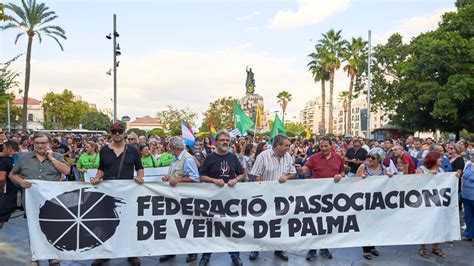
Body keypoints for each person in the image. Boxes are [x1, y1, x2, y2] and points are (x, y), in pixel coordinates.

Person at [9, 132, 70, 266]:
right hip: (31, 201)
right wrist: (20, 181)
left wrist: (52, 158)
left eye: (43, 143)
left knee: (53, 228)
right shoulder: (24, 158)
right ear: (33, 143)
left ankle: (53, 257)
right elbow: (12, 174)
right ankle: (35, 257)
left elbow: (67, 171)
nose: (40, 145)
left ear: (49, 143)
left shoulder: (58, 156)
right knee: (34, 229)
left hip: (53, 202)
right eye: (37, 143)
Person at [90, 123, 144, 266]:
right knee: (105, 223)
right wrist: (96, 178)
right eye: (114, 131)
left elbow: (139, 168)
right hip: (108, 192)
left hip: (128, 193)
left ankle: (131, 253)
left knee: (128, 223)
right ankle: (104, 253)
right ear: (111, 133)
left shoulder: (132, 150)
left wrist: (139, 177)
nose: (117, 134)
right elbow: (101, 168)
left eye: (120, 131)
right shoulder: (104, 151)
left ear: (124, 133)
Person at [199, 130, 245, 266]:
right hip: (212, 199)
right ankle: (206, 256)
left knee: (232, 227)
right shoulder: (209, 158)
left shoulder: (233, 157)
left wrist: (236, 179)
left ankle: (235, 255)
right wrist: (214, 180)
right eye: (222, 140)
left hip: (230, 199)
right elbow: (202, 176)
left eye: (227, 140)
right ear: (216, 142)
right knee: (210, 228)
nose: (225, 142)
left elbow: (242, 174)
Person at [249, 134, 297, 261]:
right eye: (286, 145)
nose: (288, 147)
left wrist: (286, 177)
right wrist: (259, 194)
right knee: (261, 222)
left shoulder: (288, 157)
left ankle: (279, 249)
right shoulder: (263, 156)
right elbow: (256, 176)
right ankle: (256, 248)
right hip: (265, 196)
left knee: (280, 223)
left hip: (281, 197)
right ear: (277, 146)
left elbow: (293, 173)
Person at [297, 136, 344, 260]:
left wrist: (340, 175)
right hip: (316, 196)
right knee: (315, 222)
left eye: (325, 146)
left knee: (327, 223)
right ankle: (312, 249)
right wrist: (300, 170)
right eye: (321, 146)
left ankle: (324, 247)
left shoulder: (338, 158)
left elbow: (342, 172)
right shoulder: (314, 157)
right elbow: (305, 169)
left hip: (332, 196)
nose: (323, 148)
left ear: (331, 146)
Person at [159, 136, 200, 263]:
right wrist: (168, 177)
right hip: (175, 197)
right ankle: (171, 251)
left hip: (185, 197)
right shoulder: (176, 159)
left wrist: (178, 180)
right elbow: (175, 175)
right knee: (173, 225)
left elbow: (195, 178)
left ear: (173, 148)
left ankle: (192, 252)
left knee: (187, 224)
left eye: (170, 148)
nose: (169, 150)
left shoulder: (187, 159)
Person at [355, 149, 389, 260]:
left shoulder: (383, 169)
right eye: (369, 156)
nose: (370, 159)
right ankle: (366, 249)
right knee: (366, 225)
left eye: (373, 158)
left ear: (379, 160)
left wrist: (390, 178)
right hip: (365, 202)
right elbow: (354, 183)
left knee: (375, 225)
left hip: (377, 202)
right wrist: (361, 179)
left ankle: (373, 246)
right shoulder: (363, 167)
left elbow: (386, 183)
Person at [415, 151, 447, 258]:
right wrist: (428, 177)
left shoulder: (441, 170)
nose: (441, 160)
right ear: (433, 159)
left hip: (437, 202)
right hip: (424, 202)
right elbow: (415, 184)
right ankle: (422, 248)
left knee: (437, 224)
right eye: (439, 158)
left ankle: (435, 247)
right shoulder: (421, 170)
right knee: (424, 224)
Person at [0, 141, 20, 229]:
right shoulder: (21, 158)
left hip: (4, 193)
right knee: (2, 219)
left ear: (10, 149)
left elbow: (1, 178)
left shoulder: (5, 161)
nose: (3, 151)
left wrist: (0, 187)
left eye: (4, 149)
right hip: (14, 192)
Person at [461, 149, 474, 241]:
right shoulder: (469, 164)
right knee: (468, 215)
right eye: (471, 154)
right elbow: (463, 177)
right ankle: (469, 234)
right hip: (466, 194)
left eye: (473, 155)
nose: (472, 156)